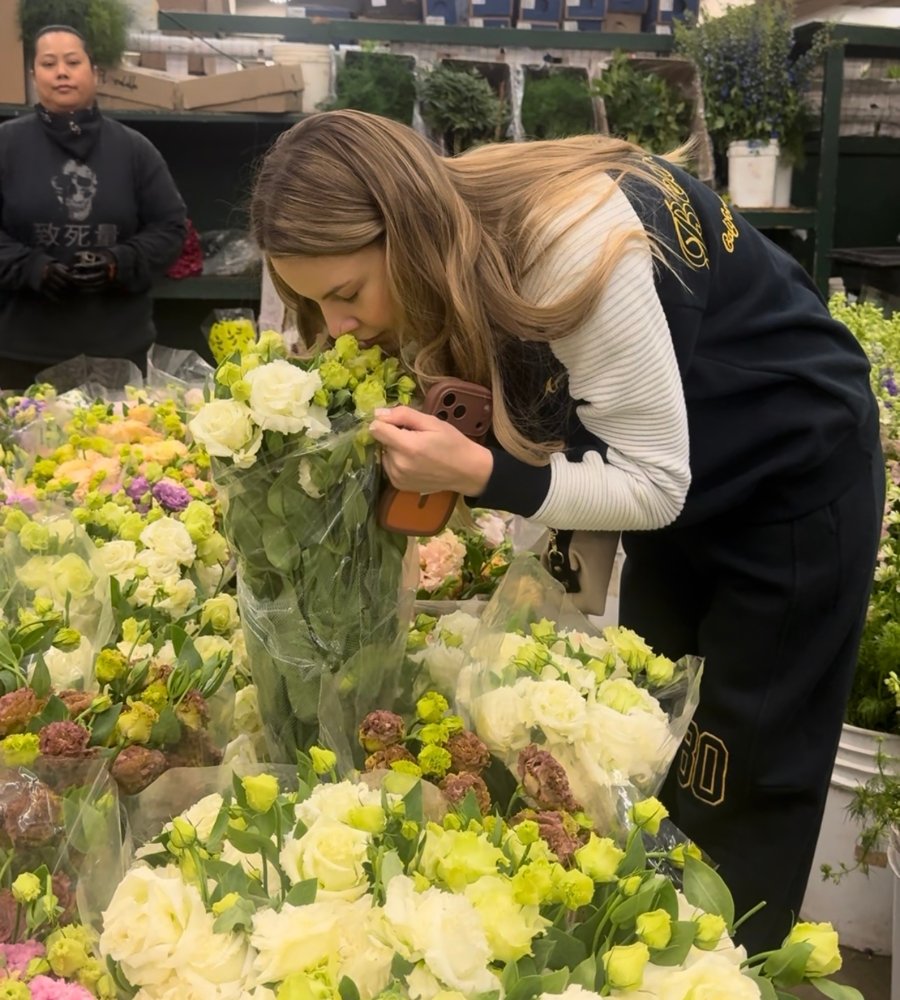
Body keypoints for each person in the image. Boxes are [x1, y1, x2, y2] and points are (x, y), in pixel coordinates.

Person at [249, 109, 884, 954]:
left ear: (404, 230)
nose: (338, 327)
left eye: (345, 294)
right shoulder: (470, 223)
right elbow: (596, 446)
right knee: (644, 742)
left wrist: (480, 475)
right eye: (311, 303)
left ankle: (725, 970)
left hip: (791, 484)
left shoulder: (568, 239)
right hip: (693, 477)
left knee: (740, 778)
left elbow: (654, 487)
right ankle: (647, 958)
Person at [0, 25, 186, 390]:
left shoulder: (135, 149)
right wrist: (32, 268)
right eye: (49, 63)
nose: (62, 72)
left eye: (73, 61)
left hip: (117, 354)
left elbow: (171, 228)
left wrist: (120, 261)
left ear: (95, 72)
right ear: (34, 74)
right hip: (20, 354)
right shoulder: (6, 146)